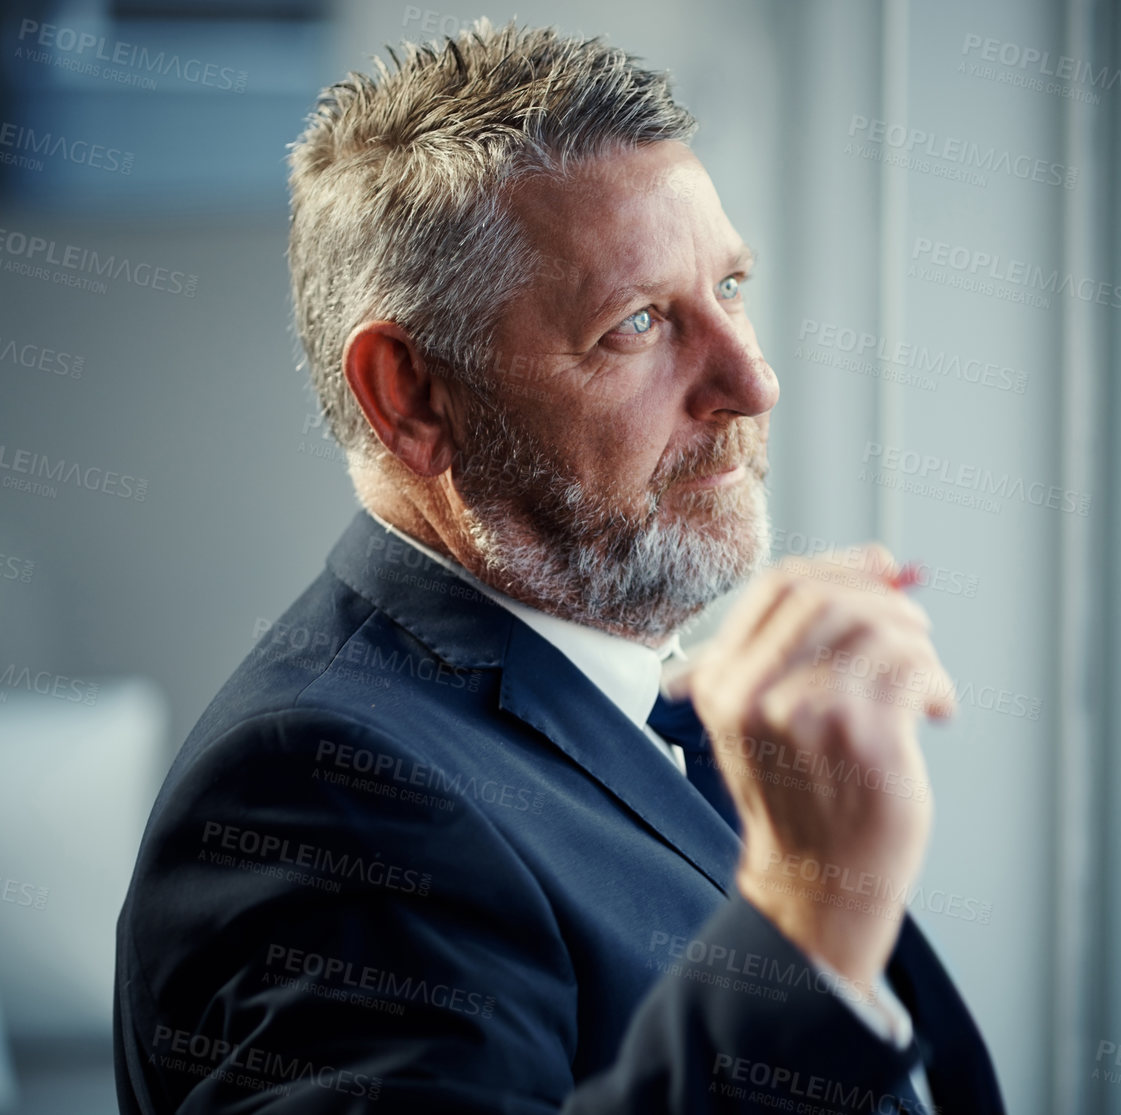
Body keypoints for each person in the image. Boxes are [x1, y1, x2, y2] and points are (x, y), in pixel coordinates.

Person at [112, 20, 1006, 1114]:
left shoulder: (666, 698)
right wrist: (808, 923)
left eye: (730, 285)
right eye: (637, 323)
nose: (751, 380)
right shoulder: (323, 791)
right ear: (413, 395)